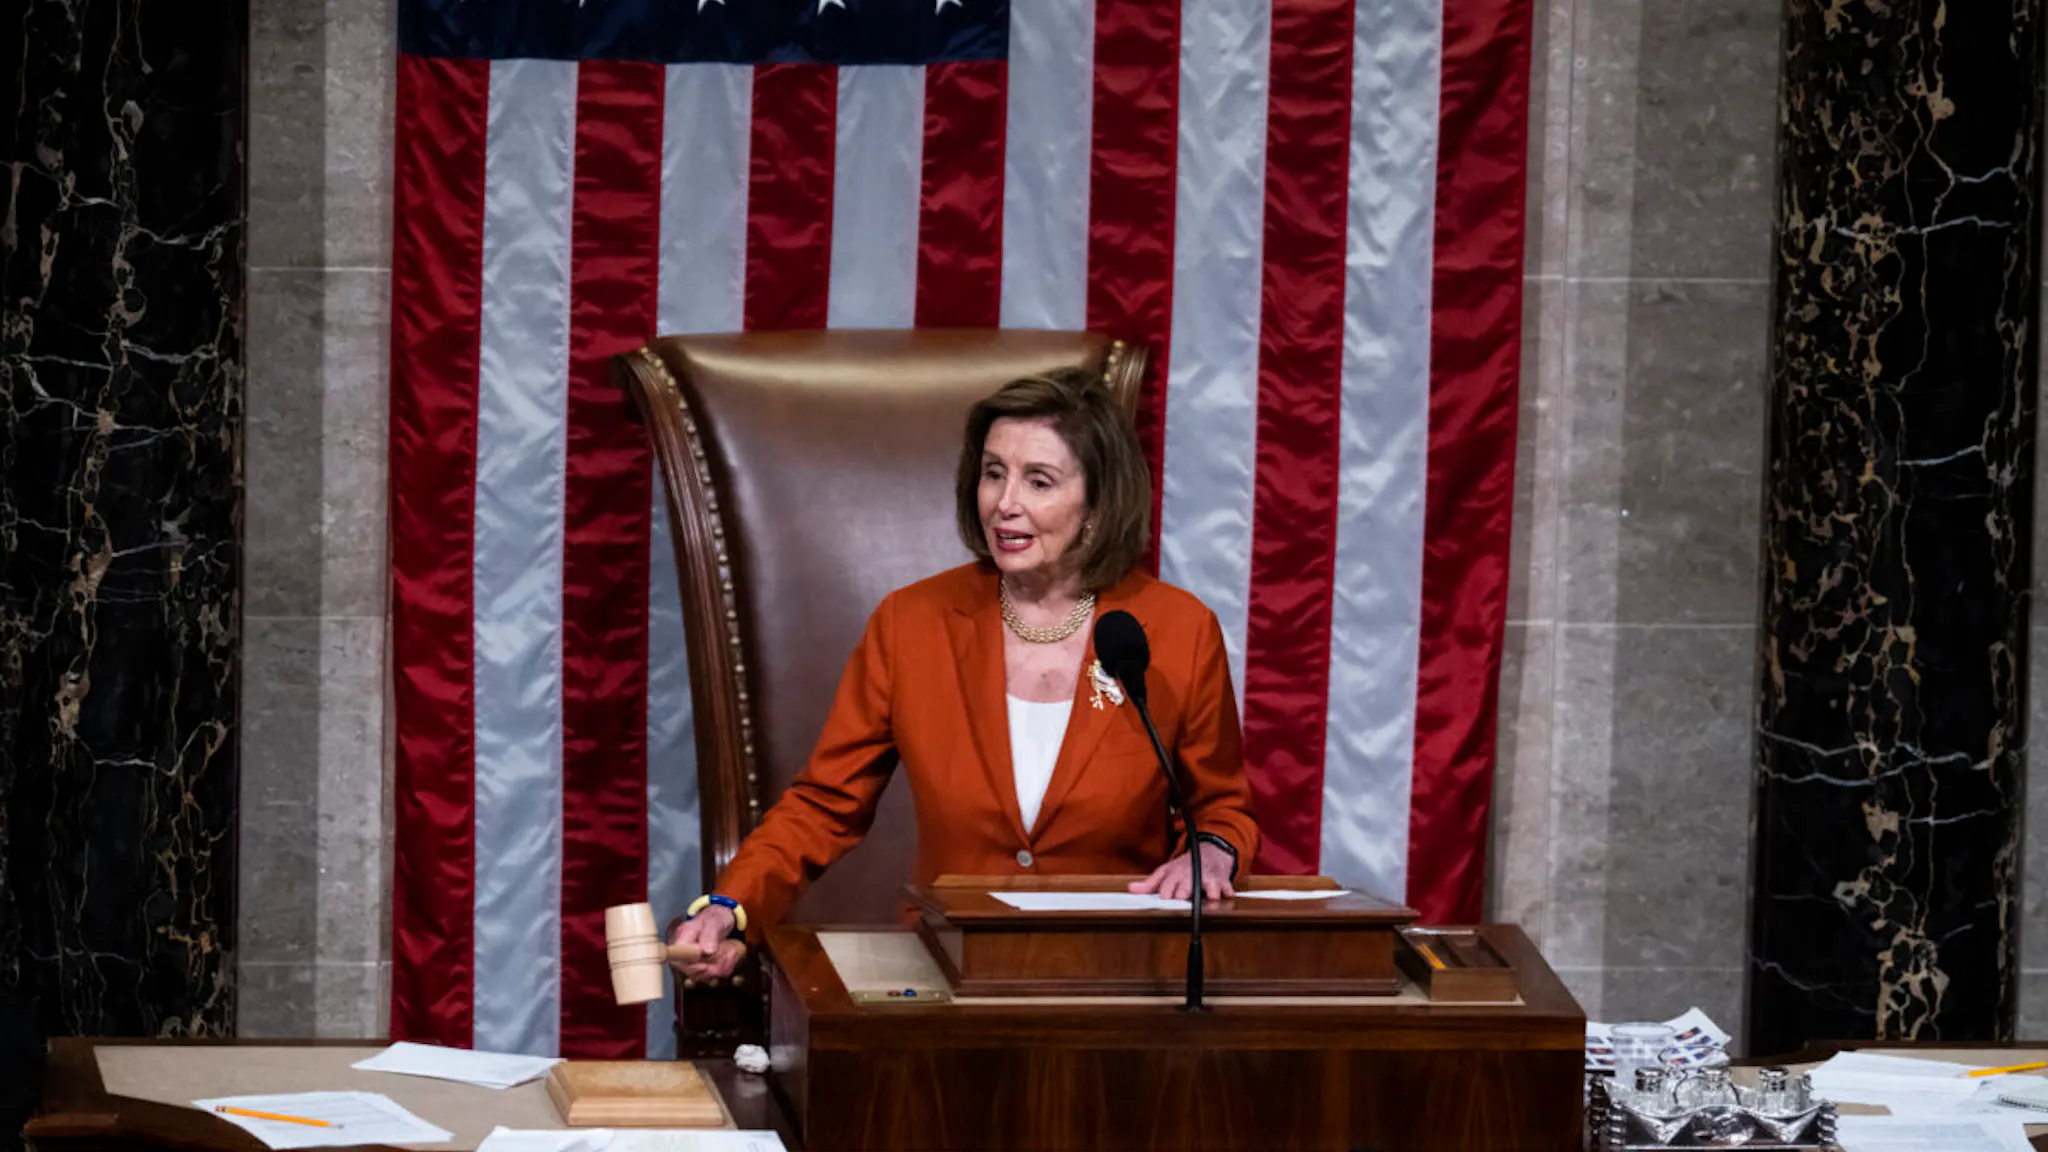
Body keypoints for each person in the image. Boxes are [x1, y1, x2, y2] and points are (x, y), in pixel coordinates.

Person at [671, 367, 1260, 980]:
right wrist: (730, 907)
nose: (1005, 503)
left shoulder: (1176, 630)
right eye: (993, 473)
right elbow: (823, 806)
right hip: (945, 976)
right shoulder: (912, 623)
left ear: (1098, 501)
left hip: (1116, 977)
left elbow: (1221, 811)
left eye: (1039, 481)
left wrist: (1211, 854)